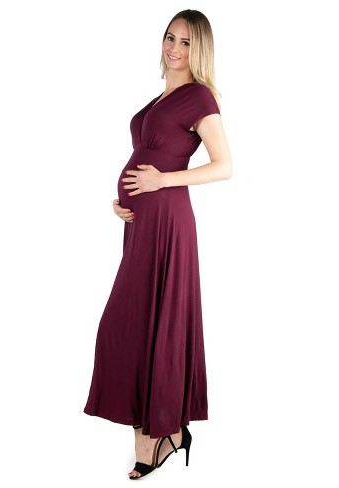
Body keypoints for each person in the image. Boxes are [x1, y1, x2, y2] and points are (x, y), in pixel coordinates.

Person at [83, 9, 233, 480]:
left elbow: (224, 166)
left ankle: (158, 435)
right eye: (170, 37)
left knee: (150, 323)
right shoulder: (160, 98)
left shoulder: (199, 96)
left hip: (169, 224)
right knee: (129, 323)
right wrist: (124, 200)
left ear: (199, 50)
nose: (174, 48)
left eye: (186, 42)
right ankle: (161, 433)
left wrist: (160, 181)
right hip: (140, 225)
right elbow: (145, 157)